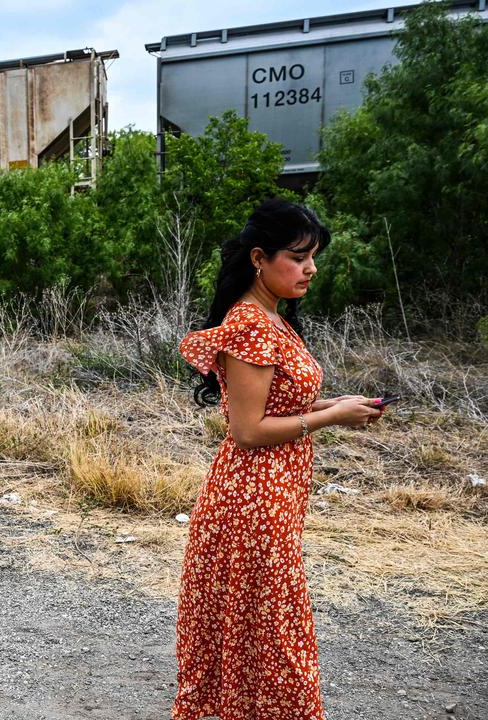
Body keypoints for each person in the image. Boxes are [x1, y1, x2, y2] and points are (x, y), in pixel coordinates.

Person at [173, 198, 385, 720]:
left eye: (313, 256)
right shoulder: (250, 324)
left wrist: (332, 403)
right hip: (252, 502)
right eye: (298, 256)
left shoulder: (271, 317)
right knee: (270, 635)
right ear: (259, 259)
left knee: (255, 632)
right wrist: (331, 419)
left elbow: (276, 405)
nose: (311, 268)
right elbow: (248, 430)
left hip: (269, 497)